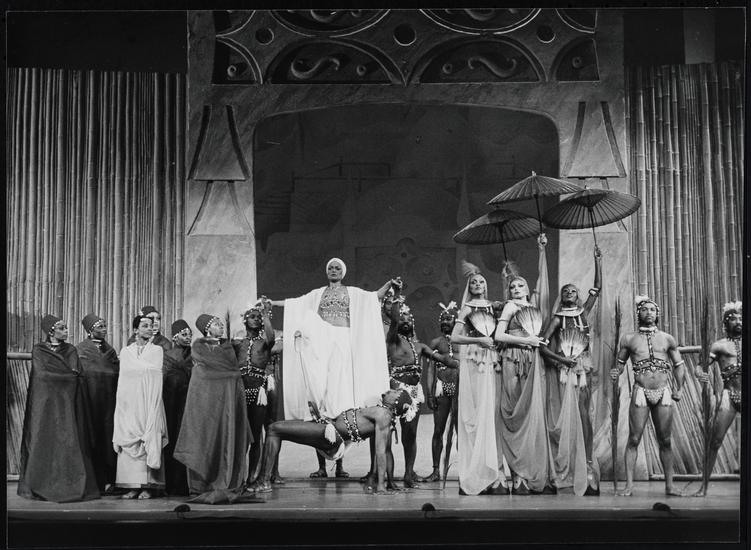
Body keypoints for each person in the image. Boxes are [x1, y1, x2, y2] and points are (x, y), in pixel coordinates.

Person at [271, 258, 395, 478]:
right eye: (330, 268)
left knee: (342, 400)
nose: (334, 270)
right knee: (320, 398)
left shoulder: (353, 293)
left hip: (344, 345)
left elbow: (373, 296)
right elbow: (295, 303)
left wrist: (387, 287)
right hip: (322, 345)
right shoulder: (317, 294)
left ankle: (340, 465)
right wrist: (272, 302)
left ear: (343, 272)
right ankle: (321, 466)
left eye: (337, 268)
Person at [254, 389, 414, 494]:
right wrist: (390, 483)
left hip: (329, 436)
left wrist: (381, 486)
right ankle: (264, 480)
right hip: (326, 429)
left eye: (395, 392)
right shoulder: (382, 413)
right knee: (275, 429)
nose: (389, 391)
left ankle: (264, 481)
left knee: (274, 429)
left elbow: (381, 452)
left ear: (397, 400)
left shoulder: (384, 415)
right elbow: (387, 452)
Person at [539, 245, 602, 495]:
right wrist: (561, 361)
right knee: (565, 417)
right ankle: (562, 468)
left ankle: (586, 463)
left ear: (577, 296)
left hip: (583, 368)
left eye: (573, 290)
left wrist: (598, 261)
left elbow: (597, 288)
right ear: (561, 295)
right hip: (565, 370)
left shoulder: (584, 313)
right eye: (565, 290)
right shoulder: (558, 318)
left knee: (584, 415)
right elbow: (543, 346)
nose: (569, 293)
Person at [494, 234, 554, 494]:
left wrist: (541, 250)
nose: (516, 289)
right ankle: (516, 474)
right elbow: (498, 336)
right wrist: (525, 340)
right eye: (512, 287)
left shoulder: (533, 306)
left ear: (527, 290)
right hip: (513, 358)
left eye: (520, 286)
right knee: (513, 413)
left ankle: (530, 471)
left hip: (533, 360)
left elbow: (543, 282)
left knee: (531, 414)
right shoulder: (510, 307)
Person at [17, 315, 100, 503]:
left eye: (66, 328)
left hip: (67, 403)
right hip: (45, 405)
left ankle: (69, 483)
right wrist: (66, 376)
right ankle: (41, 482)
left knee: (69, 440)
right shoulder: (39, 350)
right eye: (61, 328)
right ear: (51, 331)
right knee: (44, 439)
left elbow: (77, 375)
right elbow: (42, 375)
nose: (66, 331)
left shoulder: (70, 350)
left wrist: (65, 377)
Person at [610, 295, 686, 497]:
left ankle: (670, 486)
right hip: (641, 392)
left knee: (665, 440)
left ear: (657, 314)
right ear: (638, 313)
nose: (649, 313)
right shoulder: (628, 339)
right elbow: (619, 364)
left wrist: (679, 388)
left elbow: (679, 365)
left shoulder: (667, 338)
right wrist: (616, 372)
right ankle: (629, 486)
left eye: (652, 310)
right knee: (634, 439)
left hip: (664, 392)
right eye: (644, 309)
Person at [174, 314, 251, 503]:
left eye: (221, 324)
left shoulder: (228, 348)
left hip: (228, 404)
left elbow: (234, 374)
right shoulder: (199, 348)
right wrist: (225, 379)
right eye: (216, 324)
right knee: (205, 439)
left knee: (227, 437)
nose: (221, 327)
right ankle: (201, 484)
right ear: (207, 328)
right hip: (206, 405)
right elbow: (202, 376)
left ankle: (227, 479)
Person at [385, 284, 453, 488]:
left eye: (408, 319)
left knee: (411, 435)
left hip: (415, 393)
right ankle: (388, 479)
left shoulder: (420, 346)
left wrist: (458, 362)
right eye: (402, 319)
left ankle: (408, 474)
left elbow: (442, 359)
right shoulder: (393, 340)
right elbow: (394, 318)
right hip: (396, 390)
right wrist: (397, 295)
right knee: (387, 435)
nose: (405, 321)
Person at [451, 261, 505, 495]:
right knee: (474, 412)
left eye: (481, 281)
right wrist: (478, 340)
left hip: (491, 361)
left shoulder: (493, 307)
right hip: (474, 361)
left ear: (486, 285)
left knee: (489, 414)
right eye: (473, 282)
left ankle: (491, 472)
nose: (477, 284)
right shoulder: (467, 309)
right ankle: (473, 473)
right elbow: (454, 337)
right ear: (469, 287)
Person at [113, 315, 168, 499]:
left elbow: (155, 375)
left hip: (149, 399)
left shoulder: (157, 350)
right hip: (130, 402)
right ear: (136, 330)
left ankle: (148, 486)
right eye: (145, 325)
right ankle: (132, 486)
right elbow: (123, 379)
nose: (150, 328)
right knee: (128, 436)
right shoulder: (126, 352)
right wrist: (122, 406)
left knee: (148, 435)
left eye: (151, 325)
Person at [694, 301, 742, 497]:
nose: (738, 322)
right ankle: (703, 487)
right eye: (733, 319)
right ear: (725, 323)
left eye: (741, 318)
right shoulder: (719, 345)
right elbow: (700, 365)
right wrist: (700, 373)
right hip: (729, 395)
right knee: (715, 441)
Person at [233, 299, 276, 485]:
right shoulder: (238, 344)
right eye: (252, 316)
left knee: (256, 436)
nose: (256, 319)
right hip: (240, 392)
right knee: (241, 436)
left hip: (259, 393)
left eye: (259, 317)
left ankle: (252, 476)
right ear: (244, 320)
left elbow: (271, 337)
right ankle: (238, 477)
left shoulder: (265, 343)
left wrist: (265, 314)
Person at [76, 313, 120, 494]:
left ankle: (110, 480)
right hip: (90, 402)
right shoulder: (81, 350)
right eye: (100, 327)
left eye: (105, 326)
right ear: (90, 330)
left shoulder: (110, 351)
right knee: (91, 437)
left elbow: (116, 372)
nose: (104, 330)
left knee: (108, 438)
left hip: (109, 403)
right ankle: (93, 481)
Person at [422, 301, 460, 483]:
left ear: (456, 321)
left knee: (462, 432)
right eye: (442, 319)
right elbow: (430, 370)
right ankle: (436, 470)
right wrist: (430, 394)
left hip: (461, 389)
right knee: (438, 430)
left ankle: (466, 471)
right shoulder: (436, 343)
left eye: (449, 319)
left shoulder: (463, 341)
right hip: (442, 389)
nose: (445, 322)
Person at [161, 319, 193, 496]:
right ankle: (173, 484)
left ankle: (189, 484)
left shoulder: (195, 355)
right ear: (174, 337)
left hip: (190, 403)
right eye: (184, 334)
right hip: (171, 405)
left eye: (189, 334)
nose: (188, 337)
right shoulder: (167, 356)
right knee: (173, 440)